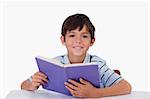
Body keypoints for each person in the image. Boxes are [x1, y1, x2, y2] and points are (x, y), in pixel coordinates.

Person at [21, 13, 132, 98]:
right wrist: (32, 85)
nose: (78, 41)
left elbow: (126, 87)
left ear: (92, 41)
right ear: (63, 40)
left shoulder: (98, 64)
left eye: (84, 36)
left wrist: (95, 93)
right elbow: (24, 85)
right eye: (72, 35)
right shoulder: (54, 64)